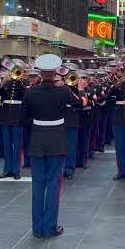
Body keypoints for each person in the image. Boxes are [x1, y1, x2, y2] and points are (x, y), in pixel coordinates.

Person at [23, 54, 83, 238]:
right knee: (54, 185)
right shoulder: (63, 91)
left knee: (38, 185)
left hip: (37, 142)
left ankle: (37, 228)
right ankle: (50, 228)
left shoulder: (30, 92)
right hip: (56, 141)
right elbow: (79, 104)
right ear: (56, 72)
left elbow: (23, 120)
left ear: (40, 73)